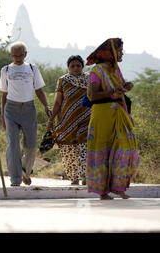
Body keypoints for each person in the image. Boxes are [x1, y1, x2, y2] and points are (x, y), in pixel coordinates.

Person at [85, 38, 139, 200]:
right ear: (111, 53)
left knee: (125, 148)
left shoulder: (116, 70)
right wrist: (112, 91)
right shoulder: (97, 71)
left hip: (118, 113)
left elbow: (119, 91)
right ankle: (103, 192)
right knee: (103, 150)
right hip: (102, 115)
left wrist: (126, 87)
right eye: (120, 50)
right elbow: (93, 95)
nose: (122, 53)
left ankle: (118, 186)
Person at [0, 41, 52, 187]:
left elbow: (39, 90)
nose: (17, 58)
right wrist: (3, 115)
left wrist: (46, 106)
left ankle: (25, 171)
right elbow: (4, 94)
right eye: (14, 55)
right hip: (11, 108)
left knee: (31, 143)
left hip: (29, 108)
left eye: (20, 55)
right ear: (11, 55)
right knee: (13, 143)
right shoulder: (6, 70)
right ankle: (15, 178)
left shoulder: (32, 69)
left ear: (25, 54)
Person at [47, 55, 91, 185]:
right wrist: (51, 119)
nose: (76, 68)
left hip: (86, 119)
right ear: (68, 68)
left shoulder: (89, 79)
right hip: (66, 121)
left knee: (85, 147)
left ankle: (86, 177)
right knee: (69, 148)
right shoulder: (63, 80)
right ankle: (74, 177)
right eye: (72, 66)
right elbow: (58, 101)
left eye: (78, 65)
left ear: (82, 66)